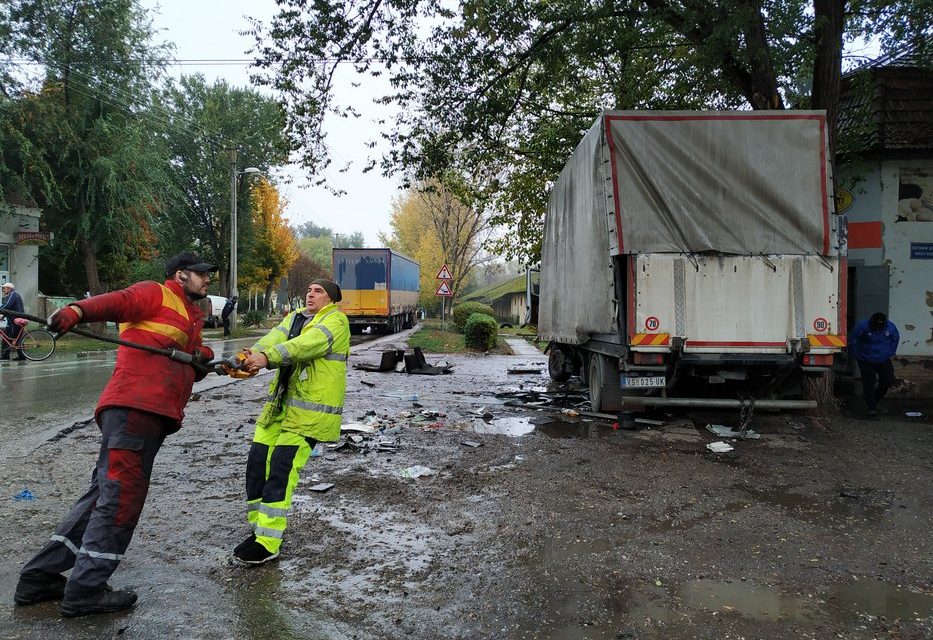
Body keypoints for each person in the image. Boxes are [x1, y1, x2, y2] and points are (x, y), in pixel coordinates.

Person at [14, 252, 217, 617]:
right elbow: (119, 302)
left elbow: (182, 357)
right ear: (181, 275)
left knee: (102, 494)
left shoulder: (190, 314)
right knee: (121, 500)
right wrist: (76, 311)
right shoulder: (156, 293)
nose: (208, 280)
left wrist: (200, 355)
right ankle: (86, 591)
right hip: (136, 410)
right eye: (203, 274)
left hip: (145, 414)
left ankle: (39, 578)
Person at [230, 279, 349, 565]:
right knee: (257, 463)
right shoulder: (295, 318)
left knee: (281, 469)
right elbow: (273, 339)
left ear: (332, 300)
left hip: (308, 415)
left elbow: (302, 346)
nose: (310, 294)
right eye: (308, 289)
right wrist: (247, 357)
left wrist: (266, 359)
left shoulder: (336, 321)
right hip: (280, 408)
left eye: (318, 291)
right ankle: (259, 529)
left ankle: (269, 543)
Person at [849, 312, 899, 416]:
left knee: (887, 380)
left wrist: (891, 352)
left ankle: (874, 401)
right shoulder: (862, 326)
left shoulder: (890, 327)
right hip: (866, 359)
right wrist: (858, 356)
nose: (877, 328)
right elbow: (854, 340)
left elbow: (896, 338)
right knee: (869, 383)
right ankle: (871, 408)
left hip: (883, 359)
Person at [1, 282, 26, 360]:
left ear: (9, 288)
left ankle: (5, 356)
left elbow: (7, 305)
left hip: (16, 320)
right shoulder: (8, 296)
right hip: (12, 320)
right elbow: (7, 308)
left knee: (10, 337)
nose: (3, 289)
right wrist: (3, 315)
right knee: (12, 339)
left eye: (4, 288)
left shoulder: (13, 294)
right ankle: (21, 356)